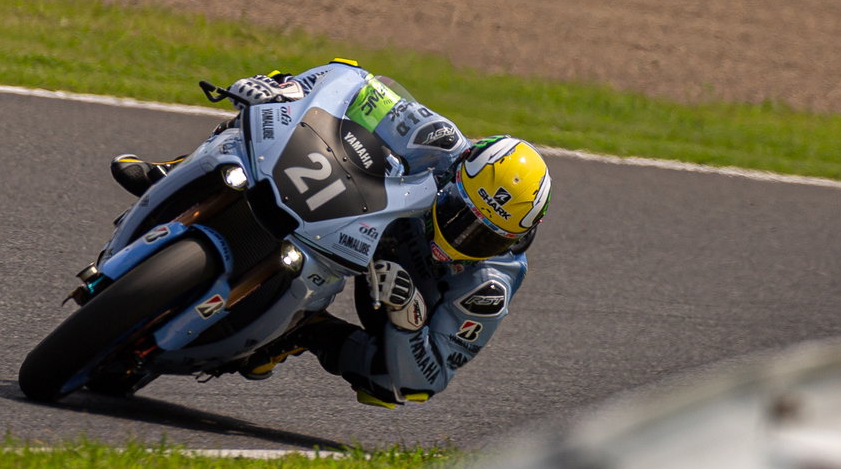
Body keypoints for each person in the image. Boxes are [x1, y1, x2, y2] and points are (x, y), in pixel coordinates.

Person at [110, 61, 551, 408]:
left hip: (402, 288)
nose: (461, 238)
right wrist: (286, 88)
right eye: (460, 216)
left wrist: (408, 315)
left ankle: (300, 329)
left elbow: (427, 378)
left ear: (515, 238)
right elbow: (350, 81)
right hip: (366, 208)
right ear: (457, 177)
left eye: (484, 237)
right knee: (259, 127)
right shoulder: (438, 139)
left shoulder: (487, 288)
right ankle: (176, 167)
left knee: (387, 383)